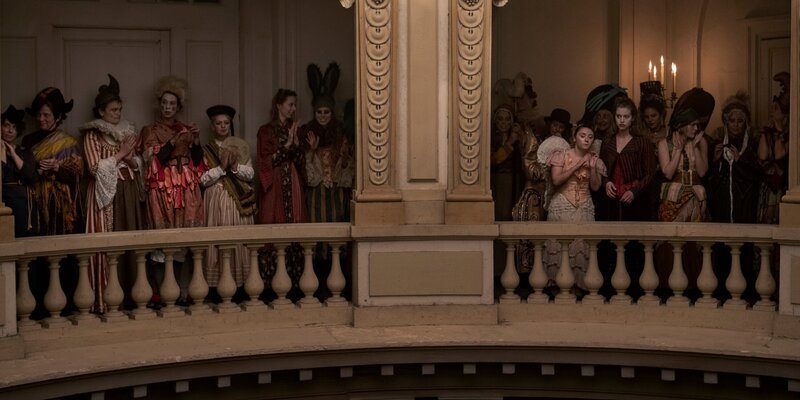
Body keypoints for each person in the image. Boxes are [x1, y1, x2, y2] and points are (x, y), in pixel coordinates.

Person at [80, 74, 145, 313]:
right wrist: (120, 155)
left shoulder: (126, 131)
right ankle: (106, 298)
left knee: (130, 243)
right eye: (113, 110)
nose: (118, 113)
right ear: (101, 111)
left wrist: (132, 160)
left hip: (128, 192)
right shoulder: (93, 135)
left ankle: (132, 294)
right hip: (106, 198)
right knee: (110, 244)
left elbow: (137, 163)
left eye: (119, 109)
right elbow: (93, 168)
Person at [140, 75, 205, 306]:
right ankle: (161, 292)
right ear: (159, 105)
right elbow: (153, 161)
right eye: (165, 103)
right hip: (163, 188)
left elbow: (198, 160)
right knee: (162, 241)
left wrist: (196, 140)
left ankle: (180, 292)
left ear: (178, 107)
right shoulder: (150, 130)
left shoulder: (185, 129)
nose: (168, 107)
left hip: (185, 187)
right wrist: (171, 143)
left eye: (172, 104)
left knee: (182, 242)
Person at [200, 104, 256, 300]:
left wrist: (234, 166)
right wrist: (221, 168)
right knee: (218, 241)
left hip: (238, 203)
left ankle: (240, 286)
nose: (223, 126)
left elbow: (250, 174)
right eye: (218, 123)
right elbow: (202, 179)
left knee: (238, 241)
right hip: (216, 201)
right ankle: (216, 288)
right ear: (212, 126)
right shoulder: (205, 150)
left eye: (226, 123)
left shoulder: (240, 147)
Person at [543, 125, 606, 292]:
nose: (586, 139)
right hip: (562, 205)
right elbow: (556, 180)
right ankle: (557, 286)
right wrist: (576, 166)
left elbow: (595, 186)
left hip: (584, 205)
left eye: (590, 137)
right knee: (560, 246)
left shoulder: (595, 159)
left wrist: (593, 168)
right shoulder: (561, 156)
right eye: (582, 135)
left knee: (581, 247)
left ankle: (579, 287)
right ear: (574, 137)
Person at [257, 89, 307, 295]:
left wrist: (297, 145)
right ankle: (270, 286)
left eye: (295, 105)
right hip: (276, 183)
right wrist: (287, 145)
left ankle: (296, 284)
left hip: (293, 182)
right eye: (290, 104)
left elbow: (301, 162)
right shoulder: (266, 131)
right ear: (278, 105)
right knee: (272, 220)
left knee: (296, 222)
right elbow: (266, 161)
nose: (293, 109)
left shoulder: (298, 130)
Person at [23, 87, 83, 235]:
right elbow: (24, 170)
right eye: (39, 114)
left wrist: (57, 168)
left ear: (58, 116)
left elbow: (77, 176)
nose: (41, 119)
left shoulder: (68, 142)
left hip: (59, 207)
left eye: (46, 115)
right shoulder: (28, 141)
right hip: (34, 203)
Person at [300, 63, 354, 223]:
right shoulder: (307, 132)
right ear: (314, 113)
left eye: (326, 112)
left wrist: (344, 155)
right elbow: (304, 167)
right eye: (319, 112)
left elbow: (347, 164)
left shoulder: (341, 132)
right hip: (316, 191)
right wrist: (312, 151)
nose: (322, 116)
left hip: (337, 190)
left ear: (331, 112)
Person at [706, 92, 761, 223]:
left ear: (745, 122)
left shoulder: (752, 143)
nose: (736, 125)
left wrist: (739, 161)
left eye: (740, 121)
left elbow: (758, 175)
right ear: (726, 121)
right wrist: (715, 160)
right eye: (732, 120)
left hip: (745, 200)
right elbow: (708, 177)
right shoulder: (717, 142)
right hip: (721, 201)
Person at [599, 97, 656, 222]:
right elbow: (601, 168)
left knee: (633, 232)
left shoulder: (642, 142)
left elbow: (650, 173)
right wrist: (606, 182)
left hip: (636, 199)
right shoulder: (607, 141)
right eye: (618, 116)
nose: (622, 120)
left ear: (633, 118)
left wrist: (634, 191)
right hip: (611, 199)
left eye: (626, 116)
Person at [657, 108, 709, 222]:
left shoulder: (701, 142)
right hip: (673, 200)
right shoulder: (664, 143)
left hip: (696, 197)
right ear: (682, 125)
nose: (696, 128)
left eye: (697, 125)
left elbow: (702, 172)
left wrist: (695, 147)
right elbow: (668, 174)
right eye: (693, 125)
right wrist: (679, 150)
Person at [757, 72, 790, 225]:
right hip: (768, 190)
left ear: (785, 116)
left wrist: (779, 129)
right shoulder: (769, 133)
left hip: (783, 189)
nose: (772, 112)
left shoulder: (791, 137)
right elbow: (762, 156)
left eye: (776, 109)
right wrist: (765, 132)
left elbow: (779, 155)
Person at [1, 105, 37, 238]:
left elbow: (31, 177)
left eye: (14, 127)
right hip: (4, 202)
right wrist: (2, 151)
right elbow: (3, 177)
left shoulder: (24, 152)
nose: (10, 130)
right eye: (6, 125)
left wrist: (13, 153)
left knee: (25, 239)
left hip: (23, 203)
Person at [491, 104, 524, 221]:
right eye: (500, 119)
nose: (504, 123)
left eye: (507, 119)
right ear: (495, 121)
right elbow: (493, 160)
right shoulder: (492, 139)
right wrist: (509, 143)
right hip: (498, 179)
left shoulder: (518, 138)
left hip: (515, 179)